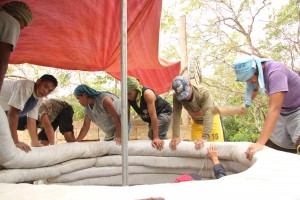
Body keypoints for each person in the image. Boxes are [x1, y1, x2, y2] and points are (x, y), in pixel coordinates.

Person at [233, 55, 300, 160]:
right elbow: (254, 89)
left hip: (297, 110)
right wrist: (245, 105)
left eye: (249, 78)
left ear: (255, 70)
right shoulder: (258, 73)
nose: (249, 82)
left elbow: (274, 109)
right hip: (284, 112)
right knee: (274, 148)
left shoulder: (276, 72)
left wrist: (259, 143)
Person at [169, 76, 245, 151]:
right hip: (196, 122)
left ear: (190, 85)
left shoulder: (203, 93)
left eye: (186, 94)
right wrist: (175, 136)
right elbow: (176, 115)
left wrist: (204, 137)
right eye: (182, 96)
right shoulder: (176, 97)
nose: (185, 98)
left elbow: (208, 114)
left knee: (217, 149)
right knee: (196, 149)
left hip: (212, 120)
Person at [0, 74, 58, 152]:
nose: (46, 92)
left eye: (50, 91)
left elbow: (31, 119)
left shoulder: (39, 98)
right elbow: (13, 113)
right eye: (45, 86)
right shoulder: (26, 86)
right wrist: (15, 141)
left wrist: (35, 143)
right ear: (38, 81)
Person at [127, 76, 172, 151]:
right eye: (126, 94)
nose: (128, 96)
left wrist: (156, 137)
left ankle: (170, 150)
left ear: (136, 90)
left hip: (163, 112)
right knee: (153, 138)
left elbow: (153, 115)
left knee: (154, 136)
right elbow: (126, 116)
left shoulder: (147, 93)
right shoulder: (127, 97)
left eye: (130, 94)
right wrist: (124, 136)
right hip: (152, 118)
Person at [0, 1, 32, 91]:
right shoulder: (12, 22)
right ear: (19, 15)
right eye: (23, 24)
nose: (21, 28)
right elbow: (2, 61)